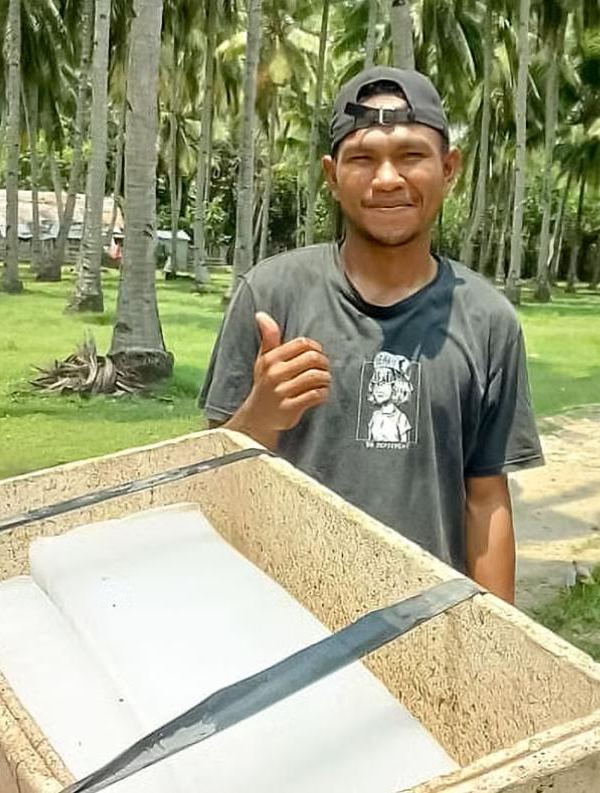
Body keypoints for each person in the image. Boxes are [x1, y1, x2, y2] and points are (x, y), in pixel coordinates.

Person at [200, 66, 543, 604]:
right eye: (363, 159)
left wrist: (498, 647)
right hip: (283, 612)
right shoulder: (272, 295)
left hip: (427, 618)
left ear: (449, 169)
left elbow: (486, 500)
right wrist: (260, 415)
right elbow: (213, 473)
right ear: (333, 176)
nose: (387, 179)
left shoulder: (488, 320)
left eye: (411, 156)